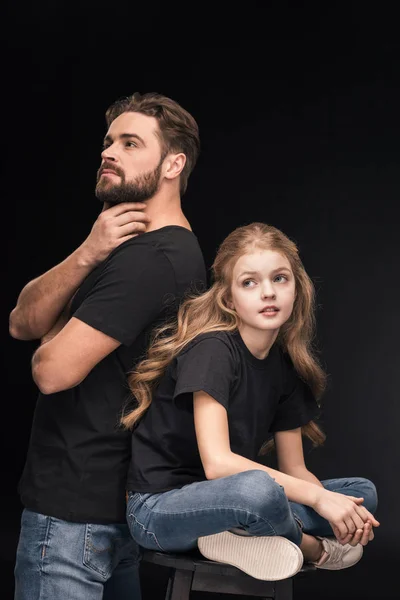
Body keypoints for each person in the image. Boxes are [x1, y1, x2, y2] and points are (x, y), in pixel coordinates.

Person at [10, 92, 207, 599]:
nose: (108, 152)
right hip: (106, 510)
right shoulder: (125, 246)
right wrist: (87, 253)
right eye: (108, 141)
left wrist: (58, 331)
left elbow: (50, 371)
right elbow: (20, 322)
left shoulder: (153, 260)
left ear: (173, 164)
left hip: (75, 515)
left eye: (130, 142)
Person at [121, 222, 379, 582]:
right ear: (228, 299)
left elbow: (295, 471)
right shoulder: (214, 350)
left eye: (279, 279)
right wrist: (320, 504)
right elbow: (218, 465)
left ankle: (239, 535)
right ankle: (306, 546)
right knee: (257, 489)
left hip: (234, 502)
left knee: (361, 495)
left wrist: (338, 506)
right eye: (249, 282)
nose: (268, 293)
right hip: (159, 510)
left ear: (297, 289)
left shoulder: (284, 367)